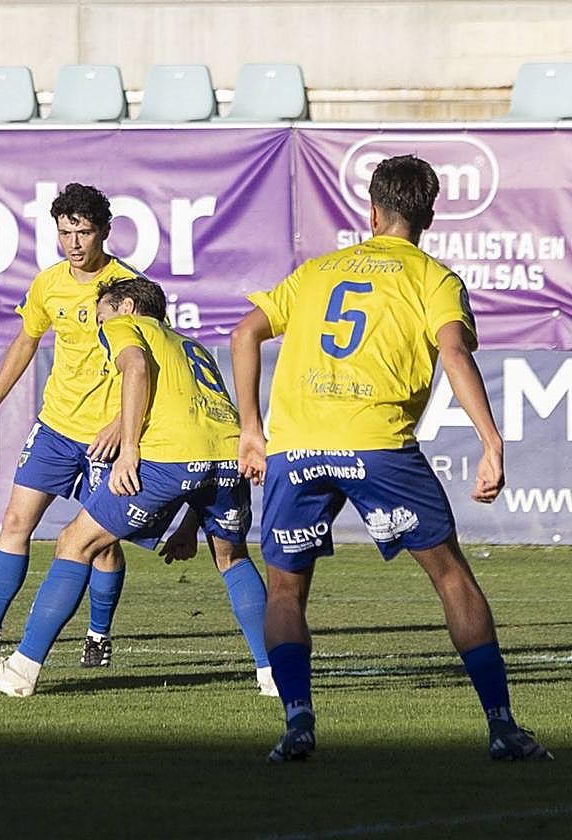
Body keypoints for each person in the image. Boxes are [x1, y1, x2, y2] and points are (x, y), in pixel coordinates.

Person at [229, 154, 551, 762]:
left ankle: (298, 723)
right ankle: (502, 726)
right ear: (428, 216)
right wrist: (491, 440)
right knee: (449, 574)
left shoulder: (318, 270)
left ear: (371, 211)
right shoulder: (434, 279)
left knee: (284, 590)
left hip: (297, 448)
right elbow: (454, 354)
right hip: (376, 444)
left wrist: (252, 430)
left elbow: (244, 332)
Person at [0, 277, 265, 697]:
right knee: (232, 560)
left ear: (128, 307)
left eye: (101, 314)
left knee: (74, 543)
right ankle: (273, 675)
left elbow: (135, 368)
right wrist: (191, 524)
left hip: (167, 459)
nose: (98, 324)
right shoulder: (189, 347)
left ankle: (20, 671)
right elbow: (206, 436)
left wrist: (129, 449)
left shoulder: (126, 325)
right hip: (227, 460)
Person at [0, 183, 138, 670]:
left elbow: (145, 367)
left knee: (100, 545)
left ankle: (99, 633)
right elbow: (25, 343)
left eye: (83, 232)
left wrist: (120, 427)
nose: (74, 243)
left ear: (103, 232)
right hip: (55, 427)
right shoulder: (48, 283)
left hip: (106, 438)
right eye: (65, 232)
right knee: (15, 523)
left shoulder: (129, 289)